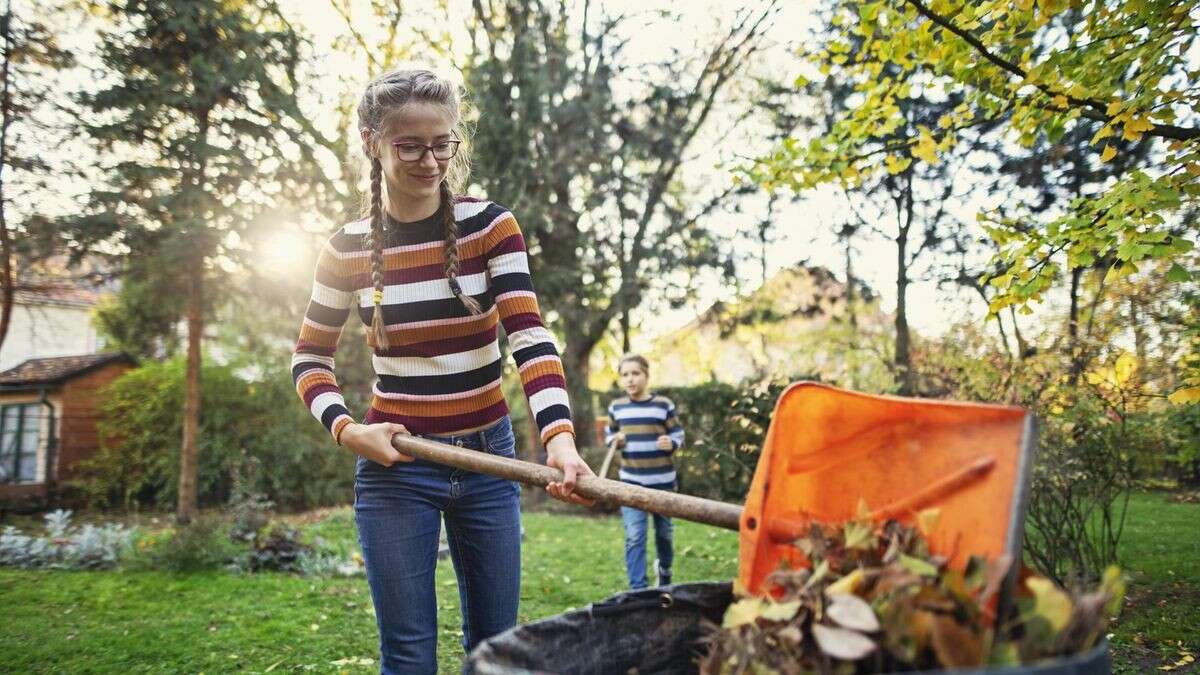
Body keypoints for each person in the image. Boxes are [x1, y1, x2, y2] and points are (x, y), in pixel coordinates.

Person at [290, 66, 593, 674]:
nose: (430, 161)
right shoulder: (346, 248)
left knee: (495, 649)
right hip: (398, 465)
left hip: (489, 459)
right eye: (410, 145)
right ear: (373, 142)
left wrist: (558, 438)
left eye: (442, 144)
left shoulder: (491, 228)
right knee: (406, 654)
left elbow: (529, 338)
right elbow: (309, 357)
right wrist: (349, 432)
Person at [604, 353, 684, 589]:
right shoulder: (616, 407)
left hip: (663, 483)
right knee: (635, 536)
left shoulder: (663, 405)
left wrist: (672, 442)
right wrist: (614, 440)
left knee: (664, 534)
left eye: (635, 374)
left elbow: (678, 433)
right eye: (625, 375)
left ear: (646, 376)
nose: (630, 379)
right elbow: (610, 436)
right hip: (630, 483)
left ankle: (665, 570)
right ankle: (638, 590)